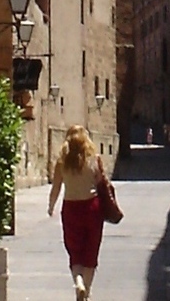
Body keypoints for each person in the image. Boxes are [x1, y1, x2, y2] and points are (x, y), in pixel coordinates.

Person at [48, 125, 106, 300]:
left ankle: (78, 282)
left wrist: (51, 206)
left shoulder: (62, 163)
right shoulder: (94, 160)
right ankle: (86, 291)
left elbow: (56, 187)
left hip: (71, 209)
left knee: (75, 251)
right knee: (91, 251)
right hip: (92, 209)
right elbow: (102, 184)